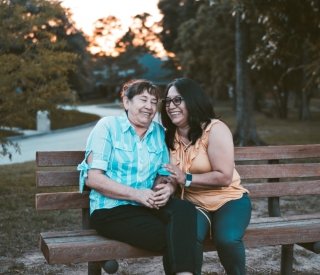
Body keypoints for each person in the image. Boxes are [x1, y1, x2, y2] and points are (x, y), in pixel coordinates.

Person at [77, 79, 199, 275]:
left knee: (184, 210)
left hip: (146, 205)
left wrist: (167, 188)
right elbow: (93, 178)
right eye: (143, 99)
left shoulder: (159, 133)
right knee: (171, 235)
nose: (149, 107)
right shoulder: (107, 127)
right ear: (127, 102)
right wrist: (136, 194)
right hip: (110, 210)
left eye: (153, 101)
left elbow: (164, 174)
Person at [160, 78, 252, 275]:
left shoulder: (215, 129)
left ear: (192, 101)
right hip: (193, 204)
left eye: (178, 100)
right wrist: (168, 186)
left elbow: (225, 176)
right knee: (183, 237)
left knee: (227, 238)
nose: (171, 106)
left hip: (229, 200)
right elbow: (169, 175)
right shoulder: (168, 136)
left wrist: (187, 178)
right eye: (167, 101)